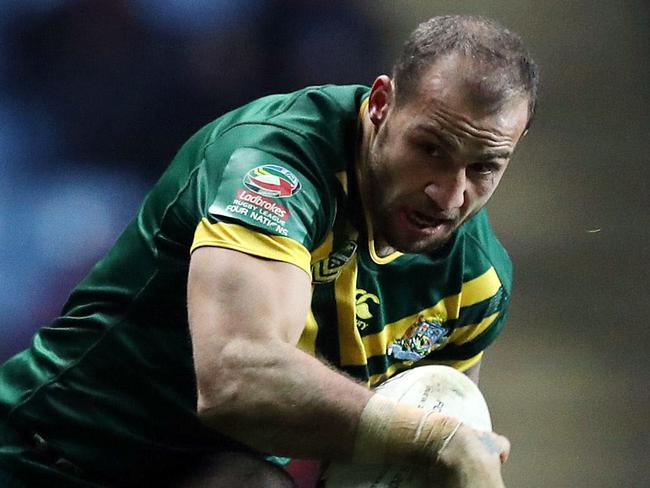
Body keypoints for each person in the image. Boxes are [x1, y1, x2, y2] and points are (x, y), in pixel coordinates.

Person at [0, 14, 538, 488]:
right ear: (380, 104)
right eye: (430, 148)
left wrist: (443, 447)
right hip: (45, 460)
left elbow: (416, 454)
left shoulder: (474, 280)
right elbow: (237, 380)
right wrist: (440, 441)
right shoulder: (272, 164)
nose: (448, 193)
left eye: (484, 167)